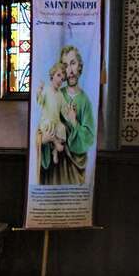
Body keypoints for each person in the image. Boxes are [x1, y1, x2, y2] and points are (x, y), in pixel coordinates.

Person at [39, 45, 95, 185]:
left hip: (73, 166)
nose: (69, 71)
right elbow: (42, 118)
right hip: (54, 167)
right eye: (65, 66)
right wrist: (42, 139)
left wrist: (74, 122)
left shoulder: (84, 101)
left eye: (73, 63)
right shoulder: (56, 92)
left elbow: (89, 137)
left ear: (80, 66)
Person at [36, 61, 68, 165]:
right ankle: (56, 143)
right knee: (48, 127)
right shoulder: (46, 90)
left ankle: (54, 150)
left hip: (56, 121)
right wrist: (39, 91)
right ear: (52, 75)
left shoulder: (60, 94)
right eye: (58, 75)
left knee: (62, 128)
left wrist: (69, 111)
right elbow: (40, 101)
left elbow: (63, 109)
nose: (60, 80)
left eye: (62, 79)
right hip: (47, 120)